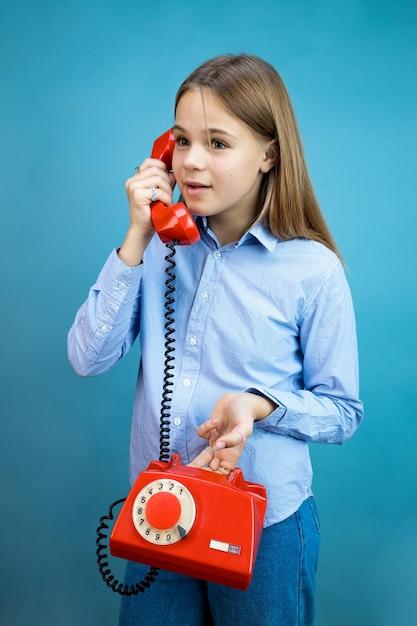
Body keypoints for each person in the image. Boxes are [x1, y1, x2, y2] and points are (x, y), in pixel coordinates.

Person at [68, 53, 363, 626]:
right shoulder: (158, 249)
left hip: (266, 525)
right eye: (181, 141)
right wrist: (137, 234)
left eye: (218, 143)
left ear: (269, 155)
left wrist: (261, 403)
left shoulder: (314, 271)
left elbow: (342, 412)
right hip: (161, 512)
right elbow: (86, 357)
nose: (192, 162)